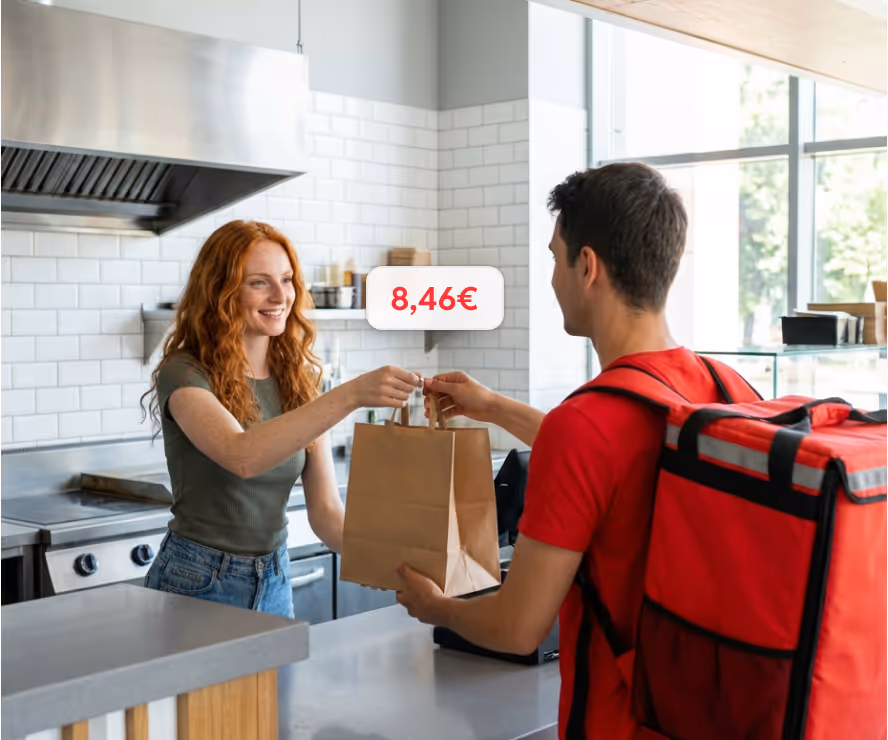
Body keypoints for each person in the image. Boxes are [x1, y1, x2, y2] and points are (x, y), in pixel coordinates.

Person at [397, 163, 732, 739]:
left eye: (555, 258)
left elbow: (517, 626)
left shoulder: (585, 424)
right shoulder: (726, 389)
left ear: (588, 266)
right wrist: (492, 406)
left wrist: (437, 609)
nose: (553, 278)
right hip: (712, 712)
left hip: (620, 722)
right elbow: (614, 454)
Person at [141, 220, 421, 618]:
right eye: (259, 282)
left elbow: (326, 511)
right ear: (221, 290)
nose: (280, 295)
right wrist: (351, 395)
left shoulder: (298, 380)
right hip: (197, 579)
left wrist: (391, 565)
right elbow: (241, 455)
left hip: (273, 578)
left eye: (287, 280)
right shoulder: (185, 374)